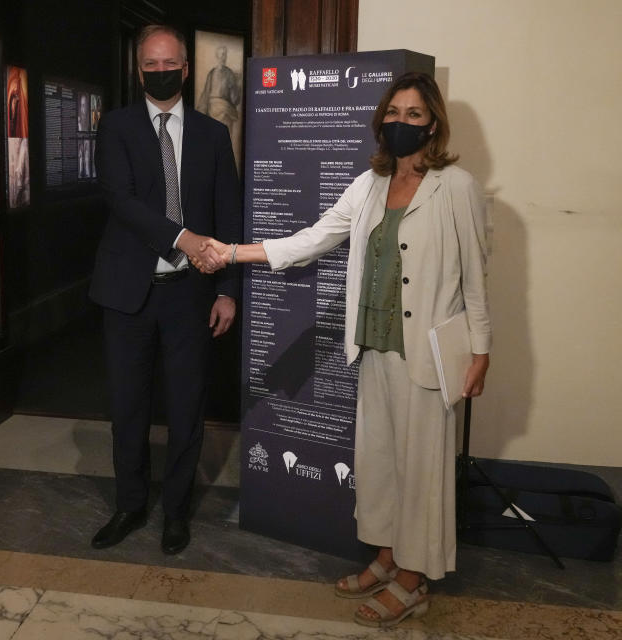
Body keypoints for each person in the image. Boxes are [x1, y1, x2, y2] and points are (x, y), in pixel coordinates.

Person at [198, 72, 490, 627]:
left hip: (427, 355)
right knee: (380, 463)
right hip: (375, 350)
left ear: (433, 124)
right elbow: (310, 240)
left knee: (421, 470)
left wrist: (481, 351)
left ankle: (412, 580)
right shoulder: (369, 184)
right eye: (394, 112)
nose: (401, 122)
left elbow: (476, 276)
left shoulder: (456, 187)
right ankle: (386, 557)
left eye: (414, 114)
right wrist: (230, 252)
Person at [88, 24, 242, 555]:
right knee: (128, 408)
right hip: (128, 293)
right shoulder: (116, 127)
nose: (160, 72)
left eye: (168, 63)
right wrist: (182, 236)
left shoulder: (213, 134)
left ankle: (176, 512)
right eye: (150, 65)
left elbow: (230, 213)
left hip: (190, 295)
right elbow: (121, 201)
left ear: (185, 66)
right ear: (139, 70)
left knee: (185, 408)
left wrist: (227, 289)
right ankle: (130, 505)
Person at [196, 45, 241, 135]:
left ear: (226, 56)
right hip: (212, 110)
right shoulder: (211, 73)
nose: (222, 57)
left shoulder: (229, 74)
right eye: (221, 55)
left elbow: (234, 99)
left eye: (224, 54)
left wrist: (236, 86)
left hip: (226, 111)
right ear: (217, 56)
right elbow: (206, 93)